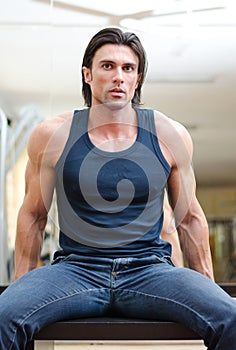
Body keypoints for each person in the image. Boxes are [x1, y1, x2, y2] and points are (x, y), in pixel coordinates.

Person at [0, 27, 235, 350]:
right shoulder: (52, 135)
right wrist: (20, 287)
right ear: (87, 74)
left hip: (149, 269)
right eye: (107, 66)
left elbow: (189, 217)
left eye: (128, 69)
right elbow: (33, 215)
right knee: (4, 315)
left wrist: (205, 287)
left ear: (138, 79)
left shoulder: (170, 135)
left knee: (229, 316)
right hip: (76, 269)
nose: (118, 77)